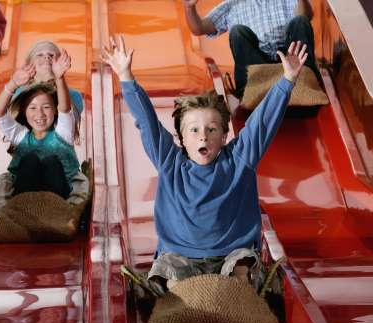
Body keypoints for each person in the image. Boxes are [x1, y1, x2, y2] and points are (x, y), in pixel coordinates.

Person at [101, 36, 307, 292]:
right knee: (169, 272)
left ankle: (234, 296)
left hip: (231, 256)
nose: (203, 136)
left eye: (212, 129)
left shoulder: (239, 159)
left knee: (242, 267)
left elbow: (262, 124)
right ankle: (181, 298)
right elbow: (148, 124)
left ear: (224, 136)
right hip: (181, 257)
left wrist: (287, 81)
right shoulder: (170, 162)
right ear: (181, 138)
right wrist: (126, 77)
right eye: (194, 130)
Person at [182, 0, 318, 98]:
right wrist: (189, 8)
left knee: (300, 21)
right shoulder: (231, 4)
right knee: (238, 32)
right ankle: (250, 90)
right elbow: (199, 28)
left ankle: (306, 81)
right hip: (256, 65)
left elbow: (305, 16)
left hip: (290, 58)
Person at [0, 49, 79, 199]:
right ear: (24, 112)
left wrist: (59, 78)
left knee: (51, 161)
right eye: (32, 108)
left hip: (58, 200)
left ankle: (49, 209)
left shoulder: (63, 133)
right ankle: (26, 208)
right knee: (29, 160)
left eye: (46, 107)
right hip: (26, 200)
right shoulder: (20, 136)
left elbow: (65, 108)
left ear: (55, 111)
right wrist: (12, 84)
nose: (40, 114)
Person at [14, 40, 84, 126]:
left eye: (51, 55)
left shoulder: (74, 95)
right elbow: (12, 121)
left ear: (61, 61)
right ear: (30, 64)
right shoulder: (20, 92)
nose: (47, 57)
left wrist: (59, 78)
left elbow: (69, 124)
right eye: (40, 55)